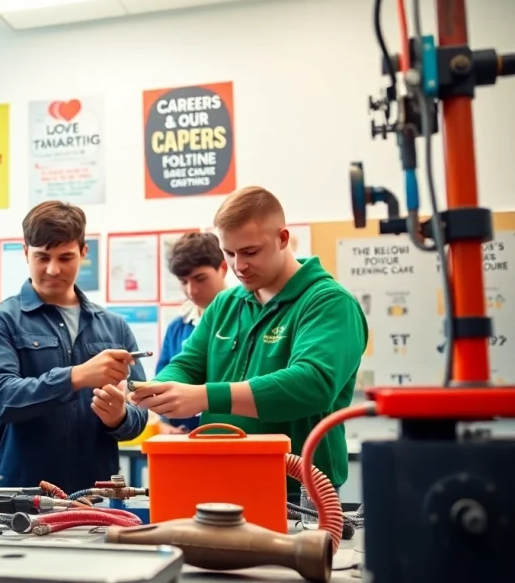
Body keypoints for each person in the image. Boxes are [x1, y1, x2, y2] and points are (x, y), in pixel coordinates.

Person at [132, 186, 368, 494]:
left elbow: (313, 383)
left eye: (250, 252)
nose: (238, 266)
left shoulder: (328, 302)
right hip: (219, 480)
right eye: (229, 253)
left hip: (297, 490)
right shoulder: (225, 305)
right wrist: (162, 389)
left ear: (282, 239)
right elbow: (187, 366)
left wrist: (204, 397)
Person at [0, 201, 148, 492]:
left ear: (83, 252)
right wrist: (75, 377)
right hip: (21, 495)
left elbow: (139, 411)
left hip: (96, 494)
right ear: (25, 252)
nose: (53, 269)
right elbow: (0, 399)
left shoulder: (114, 326)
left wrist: (119, 417)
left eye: (65, 257)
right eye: (42, 257)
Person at [154, 232, 228, 433]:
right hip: (184, 442)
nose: (191, 291)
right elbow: (163, 379)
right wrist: (163, 425)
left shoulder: (245, 319)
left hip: (233, 438)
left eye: (200, 279)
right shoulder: (177, 327)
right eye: (183, 282)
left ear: (223, 268)